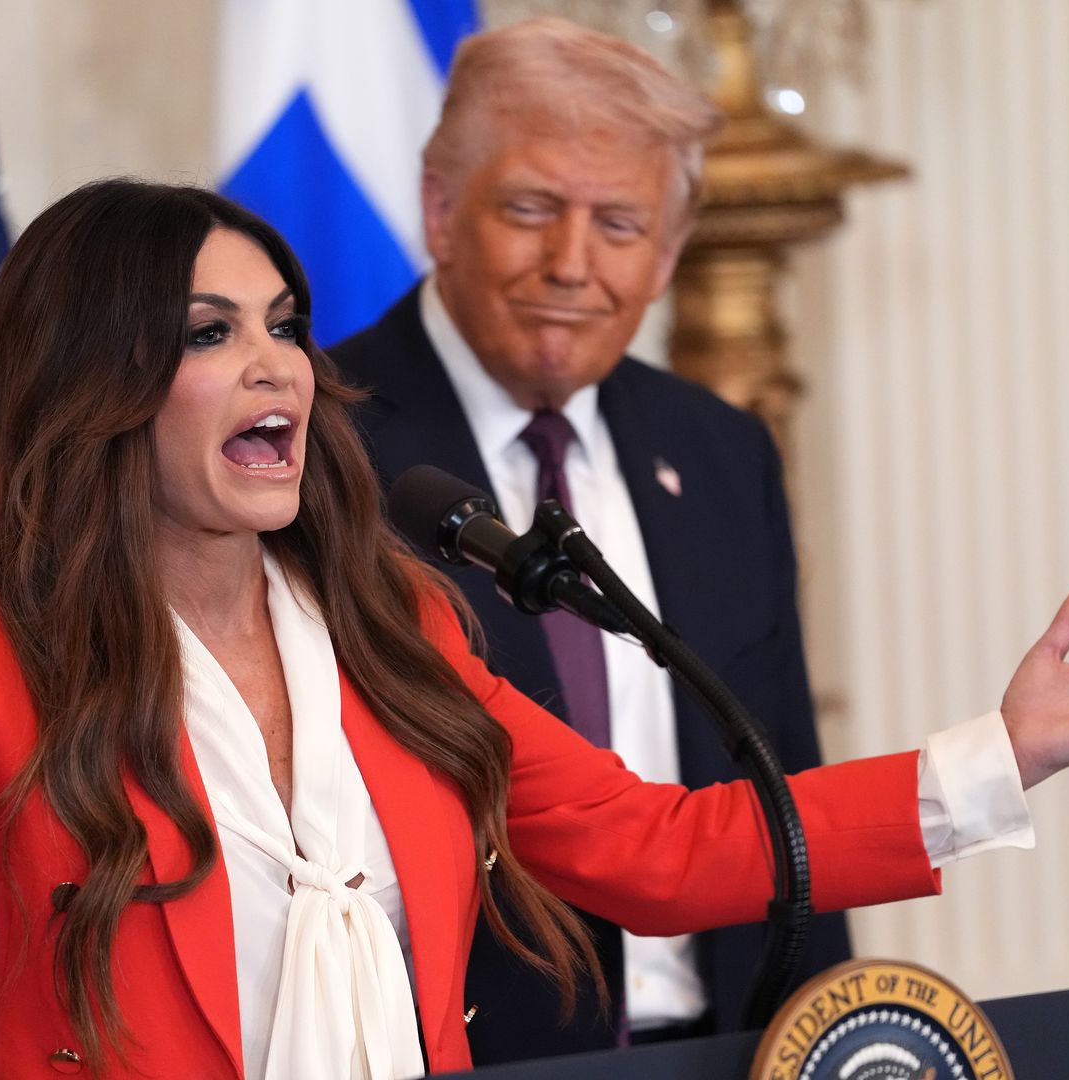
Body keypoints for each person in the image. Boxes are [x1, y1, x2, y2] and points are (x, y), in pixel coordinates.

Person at [0, 178, 1069, 1080]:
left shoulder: (389, 618)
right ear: (99, 385)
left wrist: (999, 758)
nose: (281, 367)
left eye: (289, 329)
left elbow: (662, 850)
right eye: (212, 333)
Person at [326, 16, 845, 1058]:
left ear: (668, 254)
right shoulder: (319, 448)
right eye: (530, 210)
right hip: (461, 1051)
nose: (572, 264)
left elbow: (782, 771)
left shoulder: (723, 451)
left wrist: (819, 1039)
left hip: (727, 1040)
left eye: (619, 224)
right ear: (440, 211)